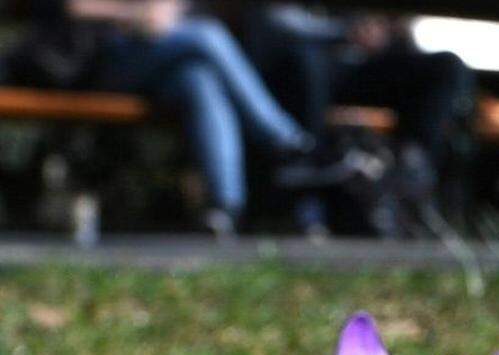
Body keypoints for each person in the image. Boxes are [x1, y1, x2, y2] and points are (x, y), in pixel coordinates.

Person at [24, 0, 336, 240]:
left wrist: (166, 10)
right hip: (92, 64)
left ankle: (224, 207)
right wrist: (133, 14)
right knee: (206, 35)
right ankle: (288, 141)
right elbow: (69, 6)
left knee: (199, 80)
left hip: (155, 59)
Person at [242, 5, 474, 235]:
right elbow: (273, 19)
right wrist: (343, 30)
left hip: (365, 64)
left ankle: (413, 170)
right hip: (307, 59)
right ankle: (309, 171)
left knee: (448, 66)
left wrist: (386, 29)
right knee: (306, 64)